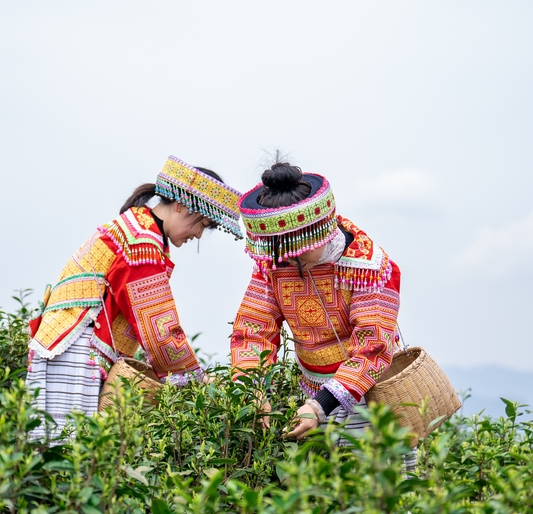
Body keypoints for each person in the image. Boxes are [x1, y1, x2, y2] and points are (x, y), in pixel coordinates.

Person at [27, 156, 242, 440]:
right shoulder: (143, 239)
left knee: (56, 445)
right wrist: (197, 377)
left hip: (67, 346)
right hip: (76, 352)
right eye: (202, 223)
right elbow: (156, 324)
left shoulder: (138, 228)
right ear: (180, 205)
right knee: (70, 447)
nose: (199, 234)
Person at [230, 159, 417, 468]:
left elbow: (372, 349)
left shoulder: (368, 266)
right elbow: (252, 331)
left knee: (380, 485)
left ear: (319, 233)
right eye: (280, 249)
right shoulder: (273, 264)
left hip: (371, 396)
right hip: (310, 397)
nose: (288, 259)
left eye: (296, 248)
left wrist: (320, 407)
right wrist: (254, 389)